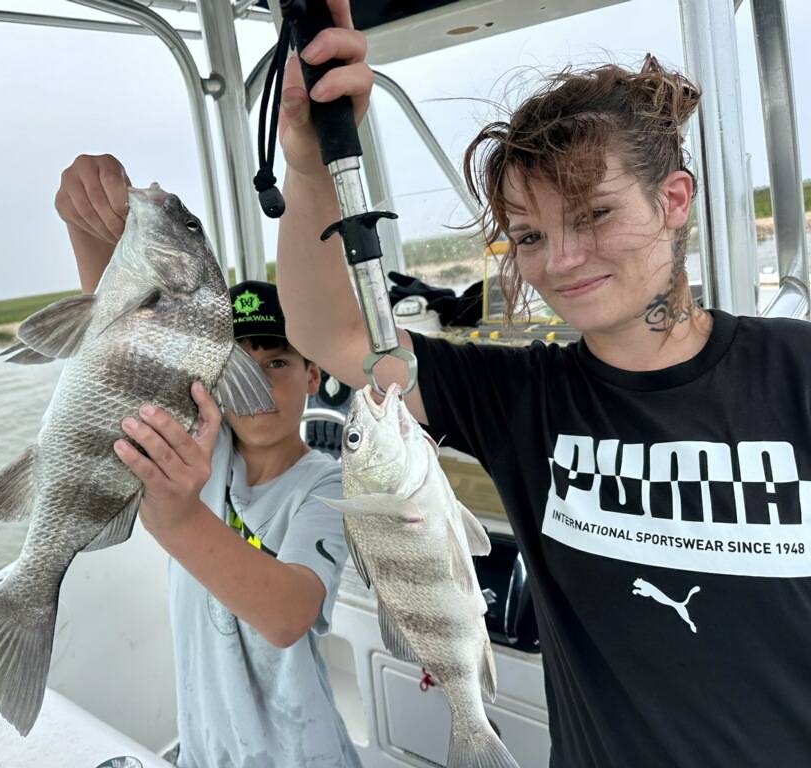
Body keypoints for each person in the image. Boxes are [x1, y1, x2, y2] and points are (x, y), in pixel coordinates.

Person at [272, 2, 811, 767]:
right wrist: (307, 164)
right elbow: (332, 337)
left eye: (593, 215)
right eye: (528, 236)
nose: (559, 260)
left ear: (673, 200)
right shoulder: (521, 396)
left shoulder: (796, 371)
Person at [54, 154, 362, 768]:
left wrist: (177, 519)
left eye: (276, 361)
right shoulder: (203, 449)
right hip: (204, 751)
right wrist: (87, 221)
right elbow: (122, 330)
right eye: (236, 364)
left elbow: (287, 615)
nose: (258, 383)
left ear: (312, 374)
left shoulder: (329, 488)